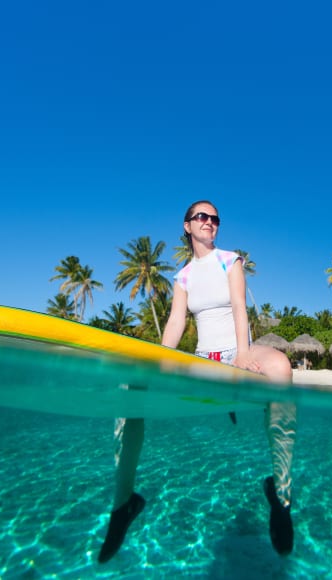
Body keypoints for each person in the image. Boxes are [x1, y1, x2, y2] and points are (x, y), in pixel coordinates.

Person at [98, 200, 297, 563]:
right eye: (201, 217)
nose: (209, 222)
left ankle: (281, 497)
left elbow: (240, 305)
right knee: (130, 384)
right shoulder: (183, 277)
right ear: (187, 226)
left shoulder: (230, 260)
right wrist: (157, 362)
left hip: (238, 351)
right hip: (203, 360)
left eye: (214, 218)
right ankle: (123, 503)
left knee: (282, 368)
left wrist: (243, 354)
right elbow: (176, 323)